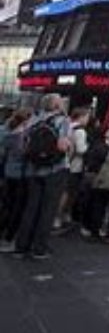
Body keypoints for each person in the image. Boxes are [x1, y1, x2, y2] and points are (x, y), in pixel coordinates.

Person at [13, 94, 72, 260]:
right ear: (57, 105)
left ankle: (21, 246)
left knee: (30, 208)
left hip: (33, 169)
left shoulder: (33, 120)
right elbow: (63, 146)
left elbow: (22, 145)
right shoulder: (62, 121)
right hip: (55, 169)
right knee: (48, 209)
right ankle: (39, 248)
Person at [0, 108, 33, 252]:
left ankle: (3, 233)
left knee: (7, 205)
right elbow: (25, 154)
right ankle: (9, 239)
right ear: (26, 120)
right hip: (22, 175)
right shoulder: (24, 136)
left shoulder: (7, 134)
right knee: (17, 208)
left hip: (9, 173)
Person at [56, 107, 90, 230]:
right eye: (87, 117)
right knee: (69, 192)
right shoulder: (80, 131)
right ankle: (61, 216)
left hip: (63, 164)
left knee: (63, 191)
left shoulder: (67, 127)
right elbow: (81, 149)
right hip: (75, 166)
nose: (88, 120)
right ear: (81, 117)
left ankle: (58, 216)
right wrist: (89, 147)